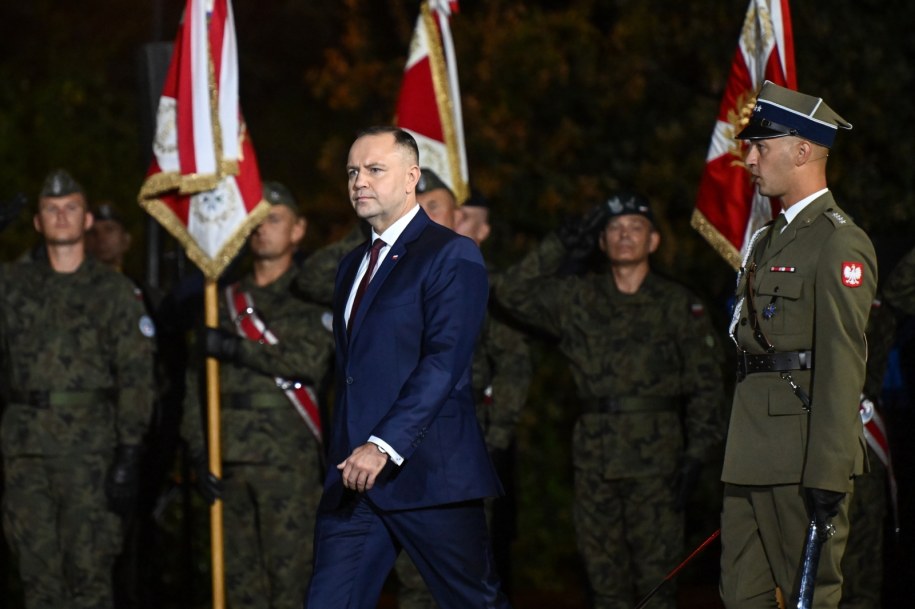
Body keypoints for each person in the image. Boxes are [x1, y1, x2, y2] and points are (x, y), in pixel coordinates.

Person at [304, 126, 508, 609]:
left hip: (430, 474)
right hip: (354, 479)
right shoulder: (351, 264)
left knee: (473, 603)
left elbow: (444, 362)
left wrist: (384, 444)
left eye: (375, 169)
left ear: (412, 176)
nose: (359, 181)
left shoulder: (451, 252)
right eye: (353, 171)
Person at [493, 192, 725, 609]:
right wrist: (559, 244)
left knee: (658, 584)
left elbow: (706, 386)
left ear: (653, 241)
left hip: (658, 466)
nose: (624, 236)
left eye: (635, 228)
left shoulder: (677, 304)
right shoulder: (578, 298)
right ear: (601, 242)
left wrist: (697, 456)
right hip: (594, 461)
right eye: (614, 229)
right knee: (604, 586)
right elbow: (510, 292)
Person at [719, 81, 877, 609]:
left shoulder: (839, 241)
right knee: (741, 597)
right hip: (750, 454)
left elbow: (841, 363)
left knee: (812, 598)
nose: (751, 158)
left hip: (801, 456)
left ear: (802, 150)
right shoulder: (766, 240)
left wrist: (829, 470)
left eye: (762, 147)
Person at [0, 169, 155, 608]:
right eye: (51, 209)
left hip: (92, 456)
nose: (61, 216)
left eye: (71, 208)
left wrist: (128, 453)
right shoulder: (12, 286)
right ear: (37, 222)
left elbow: (136, 375)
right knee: (37, 581)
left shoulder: (113, 291)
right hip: (25, 455)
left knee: (89, 580)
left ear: (87, 220)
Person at [182, 181, 334, 609]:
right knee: (238, 586)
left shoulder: (310, 297)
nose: (262, 229)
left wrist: (234, 348)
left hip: (289, 464)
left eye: (274, 219)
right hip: (228, 459)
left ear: (298, 229)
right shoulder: (221, 300)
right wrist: (198, 452)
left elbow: (309, 361)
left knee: (291, 585)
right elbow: (197, 388)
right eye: (255, 220)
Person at [395, 176, 532, 609]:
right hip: (400, 448)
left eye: (434, 206)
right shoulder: (387, 278)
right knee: (413, 577)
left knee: (466, 574)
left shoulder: (475, 278)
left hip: (460, 447)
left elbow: (512, 363)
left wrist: (494, 437)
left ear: (458, 218)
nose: (424, 215)